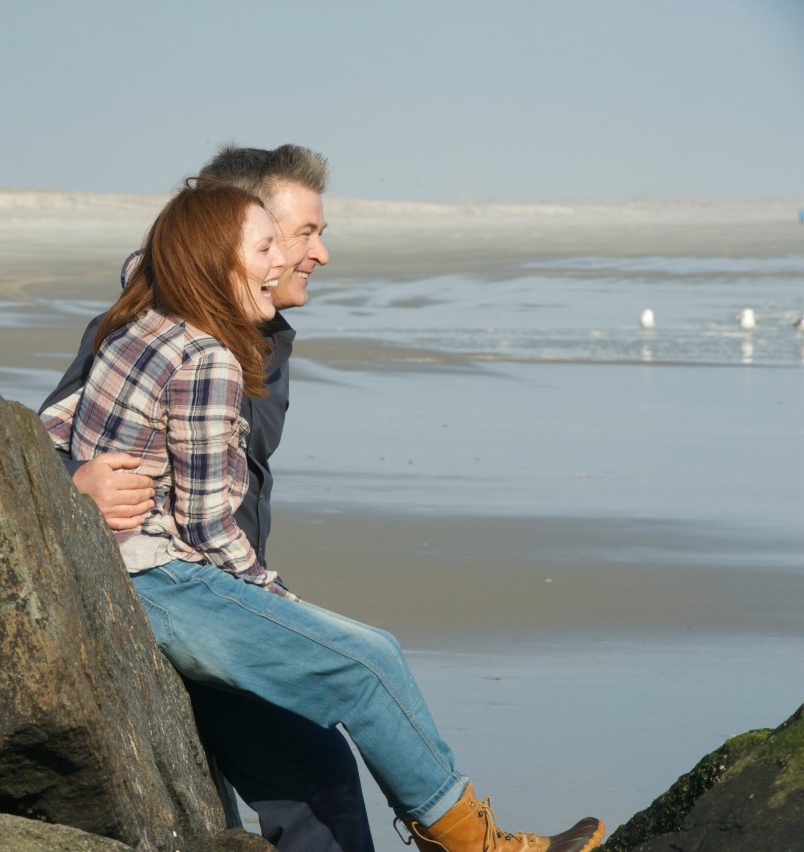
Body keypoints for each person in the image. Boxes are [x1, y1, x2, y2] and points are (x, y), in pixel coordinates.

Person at [41, 181, 604, 852]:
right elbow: (209, 531)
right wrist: (282, 604)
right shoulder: (206, 356)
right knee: (370, 660)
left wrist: (78, 481)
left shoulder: (133, 320)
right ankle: (476, 845)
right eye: (266, 247)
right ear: (214, 259)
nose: (282, 261)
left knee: (322, 754)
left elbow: (51, 426)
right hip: (164, 583)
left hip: (129, 573)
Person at [41, 145, 376, 852]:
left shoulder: (266, 335)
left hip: (224, 592)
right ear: (240, 238)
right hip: (175, 598)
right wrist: (76, 482)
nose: (319, 253)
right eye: (303, 233)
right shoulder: (147, 327)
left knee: (311, 775)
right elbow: (42, 436)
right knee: (318, 775)